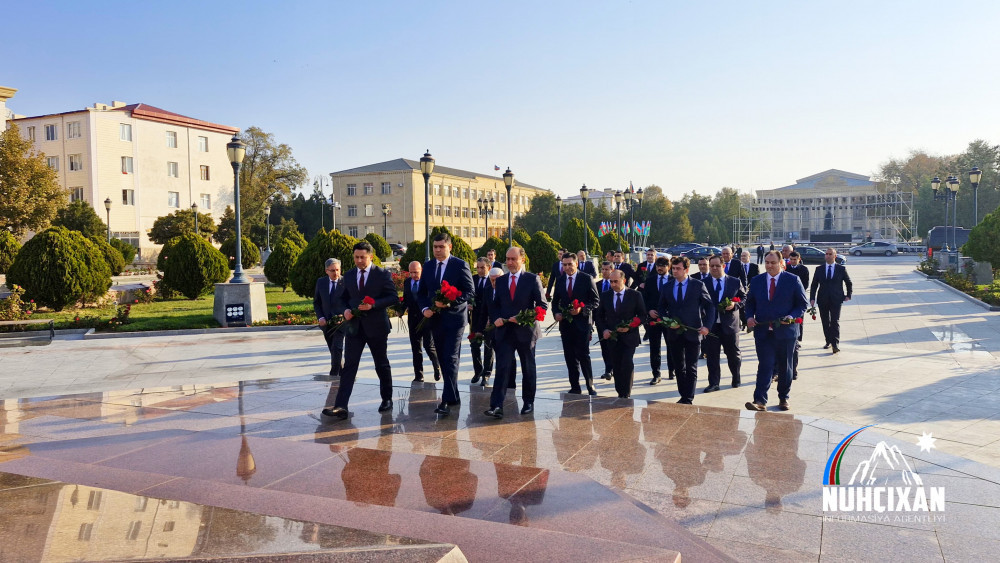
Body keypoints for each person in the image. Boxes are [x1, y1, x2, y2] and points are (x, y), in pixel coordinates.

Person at [320, 242, 398, 419]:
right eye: (356, 257)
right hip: (354, 327)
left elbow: (393, 297)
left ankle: (387, 399)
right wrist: (346, 310)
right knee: (349, 366)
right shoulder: (348, 275)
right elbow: (343, 299)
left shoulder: (382, 274)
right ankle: (341, 406)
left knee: (381, 364)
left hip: (377, 327)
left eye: (362, 257)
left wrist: (374, 305)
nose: (359, 260)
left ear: (370, 256)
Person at [485, 247, 547, 419]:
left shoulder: (532, 279)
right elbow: (495, 304)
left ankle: (528, 402)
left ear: (522, 260)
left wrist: (523, 318)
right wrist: (496, 317)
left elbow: (542, 306)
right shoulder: (502, 280)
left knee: (528, 367)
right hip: (504, 332)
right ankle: (496, 405)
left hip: (525, 332)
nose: (510, 263)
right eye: (507, 259)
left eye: (513, 259)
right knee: (502, 368)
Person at [419, 233, 476, 416]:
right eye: (435, 247)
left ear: (449, 247)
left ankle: (445, 400)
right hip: (435, 319)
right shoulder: (427, 266)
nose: (437, 250)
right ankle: (454, 395)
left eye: (441, 247)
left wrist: (451, 302)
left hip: (455, 319)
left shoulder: (459, 265)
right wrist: (425, 308)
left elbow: (470, 291)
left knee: (450, 357)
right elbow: (421, 293)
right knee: (444, 358)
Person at [744, 251, 808, 412]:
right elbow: (749, 303)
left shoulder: (792, 280)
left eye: (772, 262)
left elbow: (802, 304)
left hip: (786, 332)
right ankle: (759, 400)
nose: (769, 266)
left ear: (781, 263)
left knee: (785, 366)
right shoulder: (757, 281)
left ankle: (783, 398)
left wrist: (791, 316)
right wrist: (749, 317)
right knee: (765, 365)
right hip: (763, 331)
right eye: (766, 262)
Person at [659, 256, 715, 404]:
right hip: (674, 333)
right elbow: (661, 308)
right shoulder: (667, 287)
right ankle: (683, 393)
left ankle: (688, 398)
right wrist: (668, 322)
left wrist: (707, 326)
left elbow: (710, 306)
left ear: (686, 269)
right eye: (673, 268)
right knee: (679, 367)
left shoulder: (697, 285)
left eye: (678, 268)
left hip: (693, 332)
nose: (675, 271)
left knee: (691, 367)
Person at [551, 252, 600, 395]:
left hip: (583, 324)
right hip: (566, 325)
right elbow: (555, 302)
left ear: (576, 264)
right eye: (564, 265)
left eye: (569, 264)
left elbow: (595, 301)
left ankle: (590, 385)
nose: (567, 267)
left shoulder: (586, 279)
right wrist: (556, 313)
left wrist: (582, 309)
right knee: (569, 356)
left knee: (583, 354)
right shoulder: (560, 280)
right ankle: (575, 386)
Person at [597, 270, 646, 399]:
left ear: (623, 280)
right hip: (612, 337)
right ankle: (620, 392)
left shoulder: (635, 295)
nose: (613, 284)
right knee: (616, 365)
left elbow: (642, 315)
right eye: (611, 281)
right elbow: (599, 316)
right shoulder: (605, 296)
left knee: (627, 363)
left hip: (630, 337)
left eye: (615, 281)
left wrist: (630, 326)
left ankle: (626, 393)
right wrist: (604, 330)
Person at [704, 255, 745, 391]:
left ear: (723, 266)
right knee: (712, 356)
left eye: (717, 265)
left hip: (730, 324)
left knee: (733, 354)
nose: (714, 268)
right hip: (711, 326)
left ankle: (736, 377)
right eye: (712, 266)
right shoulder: (703, 283)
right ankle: (714, 383)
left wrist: (735, 305)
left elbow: (745, 298)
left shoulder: (734, 281)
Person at [403, 261, 441, 383]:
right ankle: (419, 375)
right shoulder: (407, 282)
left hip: (426, 318)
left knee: (428, 346)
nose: (414, 275)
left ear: (421, 271)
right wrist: (400, 310)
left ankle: (437, 366)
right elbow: (406, 298)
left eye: (416, 272)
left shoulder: (427, 282)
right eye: (411, 272)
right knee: (415, 348)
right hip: (413, 319)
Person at [809, 248, 852, 354]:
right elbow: (814, 285)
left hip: (836, 299)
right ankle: (828, 341)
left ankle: (835, 344)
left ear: (835, 256)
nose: (827, 256)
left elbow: (848, 282)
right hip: (822, 299)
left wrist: (848, 295)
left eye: (830, 254)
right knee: (825, 321)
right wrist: (812, 298)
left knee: (835, 321)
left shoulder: (841, 269)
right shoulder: (819, 269)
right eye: (826, 254)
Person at [643, 256, 675, 384]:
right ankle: (656, 373)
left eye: (662, 266)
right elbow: (644, 298)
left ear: (669, 267)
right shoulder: (650, 280)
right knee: (654, 347)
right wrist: (649, 310)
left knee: (671, 345)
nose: (660, 268)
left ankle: (672, 370)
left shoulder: (673, 280)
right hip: (654, 318)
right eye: (658, 265)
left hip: (669, 319)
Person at [313, 258, 346, 378]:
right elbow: (316, 302)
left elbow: (351, 301)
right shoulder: (321, 282)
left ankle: (333, 374)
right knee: (332, 348)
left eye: (337, 270)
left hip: (341, 323)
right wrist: (320, 317)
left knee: (337, 347)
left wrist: (345, 315)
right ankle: (342, 371)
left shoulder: (345, 282)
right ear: (326, 270)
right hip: (326, 323)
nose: (335, 273)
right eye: (332, 270)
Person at [784, 251, 810, 379]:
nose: (793, 261)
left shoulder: (804, 269)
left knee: (799, 322)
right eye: (791, 259)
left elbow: (805, 284)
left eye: (795, 259)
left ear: (799, 259)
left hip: (797, 300)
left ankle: (798, 337)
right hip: (786, 303)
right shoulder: (786, 268)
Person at [469, 258, 493, 384]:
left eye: (482, 267)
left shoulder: (493, 280)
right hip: (475, 318)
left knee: (488, 347)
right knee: (474, 345)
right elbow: (468, 293)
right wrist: (468, 303)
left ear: (488, 267)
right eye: (477, 267)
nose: (479, 270)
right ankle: (478, 371)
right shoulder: (473, 279)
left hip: (489, 319)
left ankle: (486, 374)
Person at [596, 261, 616, 381]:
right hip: (601, 321)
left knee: (613, 346)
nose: (604, 272)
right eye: (602, 269)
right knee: (604, 346)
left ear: (612, 270)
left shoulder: (616, 285)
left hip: (614, 320)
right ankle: (608, 369)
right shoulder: (597, 285)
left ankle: (613, 368)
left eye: (607, 269)